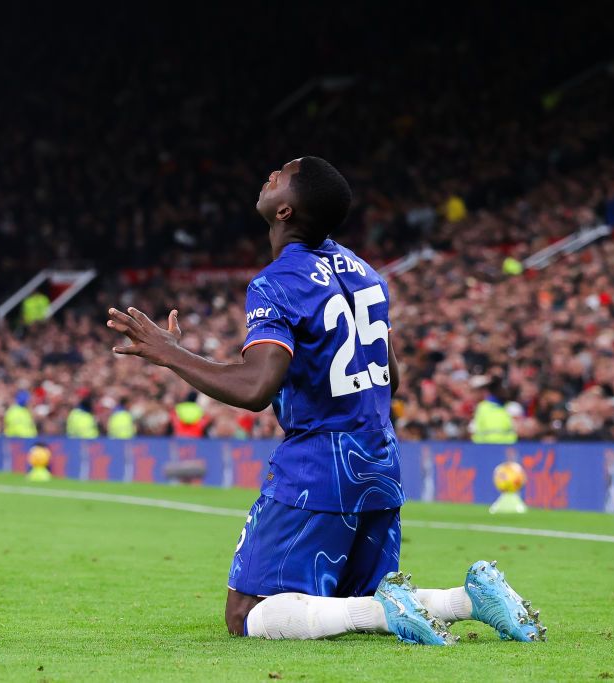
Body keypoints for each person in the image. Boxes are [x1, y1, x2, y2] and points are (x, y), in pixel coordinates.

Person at [107, 157, 544, 645]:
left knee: (247, 613)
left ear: (286, 210)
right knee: (345, 601)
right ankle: (467, 601)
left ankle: (390, 615)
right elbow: (389, 376)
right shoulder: (366, 273)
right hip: (380, 462)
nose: (269, 174)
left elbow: (255, 388)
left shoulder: (277, 282)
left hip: (319, 465)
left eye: (281, 175)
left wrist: (170, 353)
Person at [470, 377, 517, 444]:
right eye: (501, 389)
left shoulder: (513, 407)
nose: (505, 392)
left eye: (506, 389)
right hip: (484, 447)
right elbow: (473, 430)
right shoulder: (482, 407)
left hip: (507, 448)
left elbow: (518, 430)